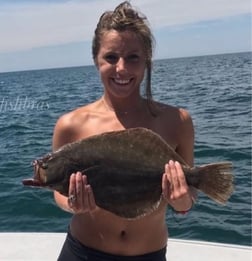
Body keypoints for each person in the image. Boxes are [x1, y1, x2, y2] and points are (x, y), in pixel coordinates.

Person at [54, 1, 196, 260]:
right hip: (82, 252)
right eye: (111, 57)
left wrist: (182, 203)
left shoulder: (178, 121)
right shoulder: (70, 125)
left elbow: (189, 194)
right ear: (96, 59)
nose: (121, 68)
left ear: (146, 61)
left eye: (133, 57)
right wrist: (73, 204)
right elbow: (58, 189)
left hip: (149, 253)